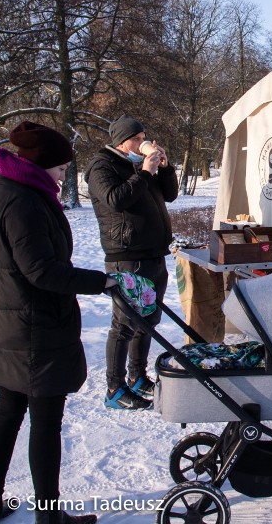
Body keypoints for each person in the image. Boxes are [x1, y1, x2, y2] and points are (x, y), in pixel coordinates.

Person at [0, 121, 116, 524]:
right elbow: (41, 270)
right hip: (35, 327)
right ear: (39, 164)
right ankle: (49, 516)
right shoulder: (24, 202)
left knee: (8, 413)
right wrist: (101, 281)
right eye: (62, 169)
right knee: (45, 423)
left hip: (10, 323)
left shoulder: (7, 189)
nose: (65, 177)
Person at [85, 116, 178, 410]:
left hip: (152, 253)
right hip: (126, 257)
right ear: (121, 141)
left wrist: (163, 168)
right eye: (137, 139)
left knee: (147, 321)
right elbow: (115, 200)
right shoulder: (102, 166)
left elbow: (171, 195)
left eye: (144, 138)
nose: (142, 144)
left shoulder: (136, 167)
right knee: (125, 323)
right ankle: (115, 387)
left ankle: (138, 377)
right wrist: (145, 173)